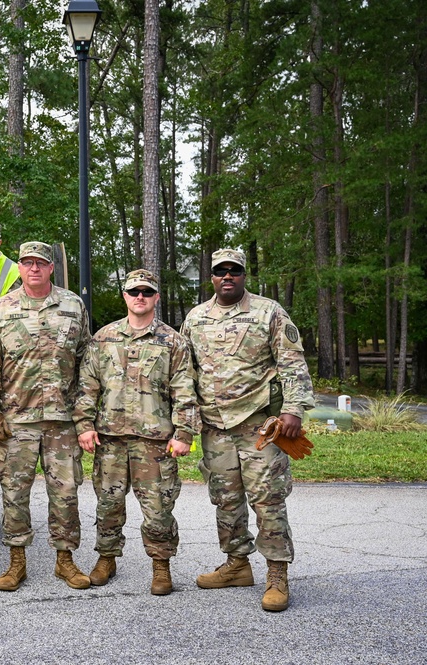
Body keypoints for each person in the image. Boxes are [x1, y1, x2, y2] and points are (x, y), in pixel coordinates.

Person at [180, 248, 315, 612]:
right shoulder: (196, 318)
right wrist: (185, 422)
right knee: (225, 500)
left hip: (261, 426)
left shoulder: (268, 312)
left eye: (234, 271)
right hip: (214, 426)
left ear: (243, 275)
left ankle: (276, 574)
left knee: (268, 499)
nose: (227, 276)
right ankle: (237, 564)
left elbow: (292, 362)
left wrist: (293, 408)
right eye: (220, 271)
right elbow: (185, 374)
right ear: (211, 277)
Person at [73, 269, 200, 595]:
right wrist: (84, 425)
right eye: (134, 291)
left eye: (146, 291)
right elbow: (87, 387)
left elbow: (184, 391)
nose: (140, 297)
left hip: (154, 442)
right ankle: (106, 558)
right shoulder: (103, 339)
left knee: (158, 509)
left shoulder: (172, 342)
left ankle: (161, 566)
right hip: (110, 440)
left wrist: (184, 433)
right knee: (108, 505)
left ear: (156, 297)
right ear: (125, 296)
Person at [0, 241, 92, 591]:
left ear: (51, 268)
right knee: (14, 494)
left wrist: (85, 413)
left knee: (66, 493)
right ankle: (16, 563)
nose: (33, 269)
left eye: (40, 263)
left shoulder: (73, 304)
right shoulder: (2, 308)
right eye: (27, 263)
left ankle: (65, 561)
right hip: (17, 420)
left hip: (62, 420)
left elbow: (87, 360)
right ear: (19, 268)